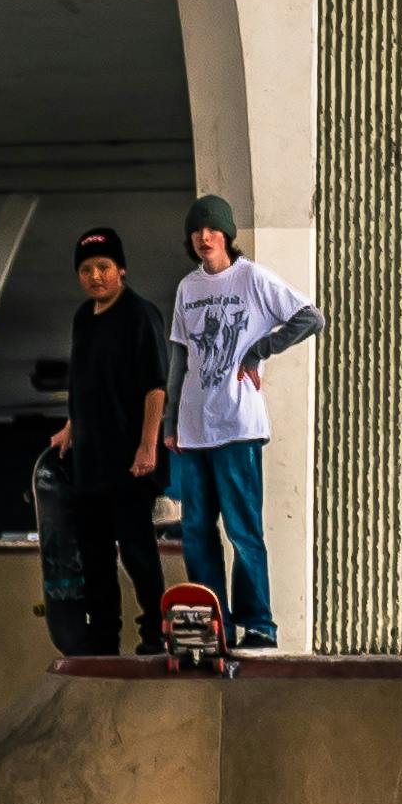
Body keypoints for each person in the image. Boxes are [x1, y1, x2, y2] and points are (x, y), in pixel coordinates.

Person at [163, 191, 322, 650]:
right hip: (194, 428)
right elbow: (179, 355)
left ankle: (259, 625)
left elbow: (311, 317)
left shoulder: (251, 278)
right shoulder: (187, 288)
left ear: (227, 234)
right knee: (195, 530)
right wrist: (170, 421)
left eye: (212, 229)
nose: (203, 237)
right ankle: (214, 622)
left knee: (241, 527)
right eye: (196, 231)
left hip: (237, 425)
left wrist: (259, 349)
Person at [45, 225, 171, 654]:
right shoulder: (83, 318)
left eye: (103, 267)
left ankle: (155, 633)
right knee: (95, 556)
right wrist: (71, 424)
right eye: (86, 269)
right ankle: (103, 637)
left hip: (131, 461)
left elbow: (156, 386)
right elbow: (84, 382)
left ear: (122, 269)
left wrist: (147, 444)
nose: (95, 276)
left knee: (137, 552)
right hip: (91, 462)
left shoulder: (141, 315)